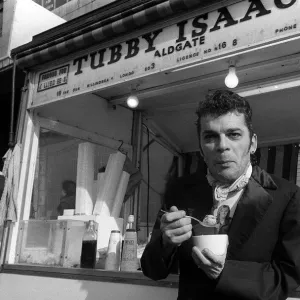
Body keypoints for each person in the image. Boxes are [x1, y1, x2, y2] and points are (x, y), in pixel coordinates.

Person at [141, 90, 300, 300]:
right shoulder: (180, 191)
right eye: (210, 137)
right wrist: (166, 244)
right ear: (200, 148)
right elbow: (152, 270)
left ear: (252, 143)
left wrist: (225, 272)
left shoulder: (287, 196)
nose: (222, 146)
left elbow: (288, 277)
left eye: (234, 134)